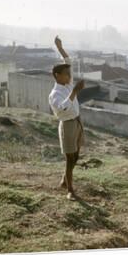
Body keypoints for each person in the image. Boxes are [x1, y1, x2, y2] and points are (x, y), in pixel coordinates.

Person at [48, 36, 85, 201]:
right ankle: (70, 190)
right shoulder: (55, 94)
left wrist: (60, 48)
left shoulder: (67, 84)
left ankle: (65, 180)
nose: (70, 76)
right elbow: (63, 107)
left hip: (76, 122)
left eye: (69, 73)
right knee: (70, 158)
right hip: (67, 125)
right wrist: (75, 92)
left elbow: (67, 60)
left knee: (76, 155)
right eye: (66, 74)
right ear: (57, 76)